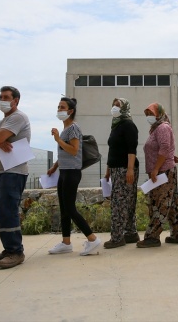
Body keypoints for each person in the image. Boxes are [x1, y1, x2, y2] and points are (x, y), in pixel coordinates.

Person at [0, 86, 31, 269]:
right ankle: (8, 248)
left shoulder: (17, 117)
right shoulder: (1, 122)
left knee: (8, 210)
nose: (2, 99)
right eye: (0, 96)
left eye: (6, 97)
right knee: (0, 211)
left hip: (13, 171)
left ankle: (16, 251)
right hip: (1, 171)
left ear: (16, 100)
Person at [47, 97, 102, 255]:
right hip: (64, 171)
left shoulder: (73, 128)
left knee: (70, 208)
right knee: (64, 208)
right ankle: (66, 242)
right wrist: (54, 167)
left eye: (62, 107)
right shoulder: (65, 130)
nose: (59, 109)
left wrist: (58, 139)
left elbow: (73, 150)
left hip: (72, 172)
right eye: (58, 106)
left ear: (70, 111)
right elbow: (64, 153)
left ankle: (92, 239)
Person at [137, 103, 178, 248]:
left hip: (162, 172)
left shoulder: (163, 127)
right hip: (162, 170)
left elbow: (164, 148)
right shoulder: (156, 129)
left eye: (151, 113)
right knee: (170, 204)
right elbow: (165, 148)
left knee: (160, 204)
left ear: (159, 114)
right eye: (147, 114)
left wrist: (156, 168)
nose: (149, 117)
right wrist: (170, 157)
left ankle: (152, 236)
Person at [104, 98, 140, 249]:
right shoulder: (116, 126)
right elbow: (112, 150)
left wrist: (130, 169)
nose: (114, 107)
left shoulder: (128, 125)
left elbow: (132, 149)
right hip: (116, 169)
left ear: (125, 107)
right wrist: (108, 171)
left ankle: (117, 237)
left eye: (118, 105)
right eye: (113, 104)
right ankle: (130, 233)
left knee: (120, 204)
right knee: (127, 201)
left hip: (125, 169)